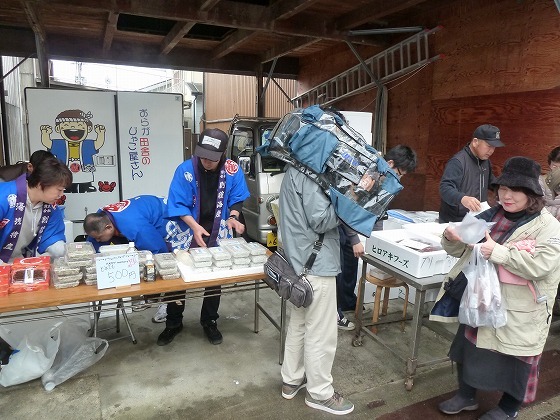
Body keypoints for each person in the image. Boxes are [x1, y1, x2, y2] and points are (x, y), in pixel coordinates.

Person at [431, 156, 560, 419]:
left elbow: (541, 266)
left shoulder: (549, 226)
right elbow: (459, 249)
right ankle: (466, 396)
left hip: (522, 309)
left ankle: (508, 409)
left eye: (515, 190)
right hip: (481, 299)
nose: (506, 195)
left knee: (518, 362)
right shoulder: (488, 215)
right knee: (469, 350)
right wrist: (449, 237)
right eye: (502, 188)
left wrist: (497, 252)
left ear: (532, 194)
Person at [157, 128, 249, 346]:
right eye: (203, 156)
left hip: (219, 227)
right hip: (187, 228)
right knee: (180, 276)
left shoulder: (232, 170)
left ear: (223, 154)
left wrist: (234, 216)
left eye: (212, 158)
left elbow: (237, 197)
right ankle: (173, 323)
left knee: (214, 278)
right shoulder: (185, 170)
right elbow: (177, 203)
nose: (206, 161)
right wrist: (195, 227)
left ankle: (209, 321)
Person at [278, 164, 354, 415]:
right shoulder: (310, 174)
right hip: (316, 265)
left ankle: (292, 379)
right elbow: (321, 220)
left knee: (299, 325)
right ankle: (320, 393)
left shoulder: (294, 169)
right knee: (321, 332)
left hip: (299, 265)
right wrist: (350, 199)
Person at [336, 145, 417, 330]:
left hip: (354, 227)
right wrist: (355, 240)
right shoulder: (369, 175)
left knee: (350, 266)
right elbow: (347, 208)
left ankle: (348, 301)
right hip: (340, 225)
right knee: (338, 270)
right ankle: (336, 312)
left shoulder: (386, 180)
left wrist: (380, 240)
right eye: (399, 173)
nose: (400, 177)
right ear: (389, 164)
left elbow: (378, 210)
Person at [83, 195, 190, 322]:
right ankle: (150, 297)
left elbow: (159, 251)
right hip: (143, 215)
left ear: (109, 227)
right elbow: (94, 246)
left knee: (168, 266)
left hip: (168, 220)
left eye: (99, 237)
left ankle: (166, 303)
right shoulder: (100, 218)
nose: (97, 240)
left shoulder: (134, 225)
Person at [0, 157, 72, 262]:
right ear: (40, 184)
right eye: (59, 190)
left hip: (18, 262)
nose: (61, 195)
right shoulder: (4, 196)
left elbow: (52, 237)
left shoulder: (51, 207)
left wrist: (67, 252)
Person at [439, 124, 504, 223]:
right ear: (475, 142)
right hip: (454, 222)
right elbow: (445, 188)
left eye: (494, 147)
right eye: (489, 146)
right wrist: (463, 198)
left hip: (476, 220)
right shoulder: (458, 161)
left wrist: (507, 189)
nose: (491, 151)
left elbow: (492, 183)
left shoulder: (486, 162)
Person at [538, 146, 560, 220]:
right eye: (554, 166)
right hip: (548, 220)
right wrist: (556, 212)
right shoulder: (541, 180)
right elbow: (538, 206)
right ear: (549, 164)